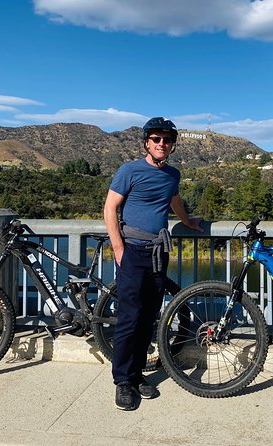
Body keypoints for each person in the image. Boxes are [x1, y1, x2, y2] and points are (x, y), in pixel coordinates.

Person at [103, 117, 203, 411]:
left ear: (172, 145)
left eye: (167, 140)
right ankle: (122, 381)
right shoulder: (129, 170)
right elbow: (110, 208)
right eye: (156, 139)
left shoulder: (173, 174)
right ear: (146, 142)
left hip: (158, 252)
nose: (162, 144)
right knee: (129, 318)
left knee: (149, 316)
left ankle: (136, 376)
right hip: (132, 251)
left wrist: (187, 221)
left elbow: (174, 200)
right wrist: (119, 248)